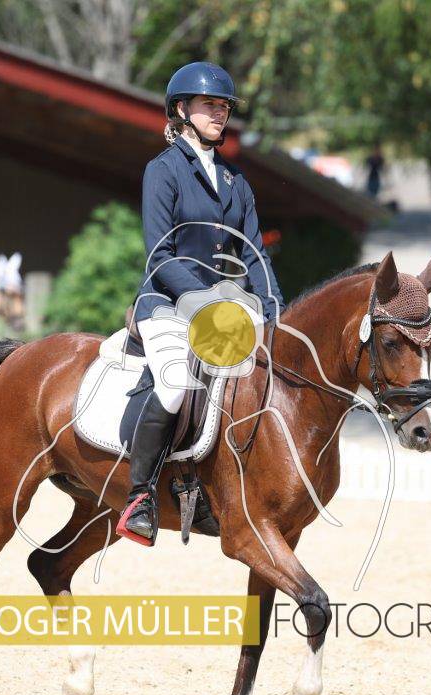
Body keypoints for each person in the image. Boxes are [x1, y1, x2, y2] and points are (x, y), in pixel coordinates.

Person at [117, 60, 285, 547]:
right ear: (181, 109)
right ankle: (140, 497)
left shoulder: (235, 181)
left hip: (221, 308)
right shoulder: (163, 170)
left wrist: (274, 308)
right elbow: (159, 253)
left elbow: (253, 254)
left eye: (224, 106)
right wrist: (203, 302)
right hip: (166, 302)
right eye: (209, 104)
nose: (220, 113)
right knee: (175, 386)